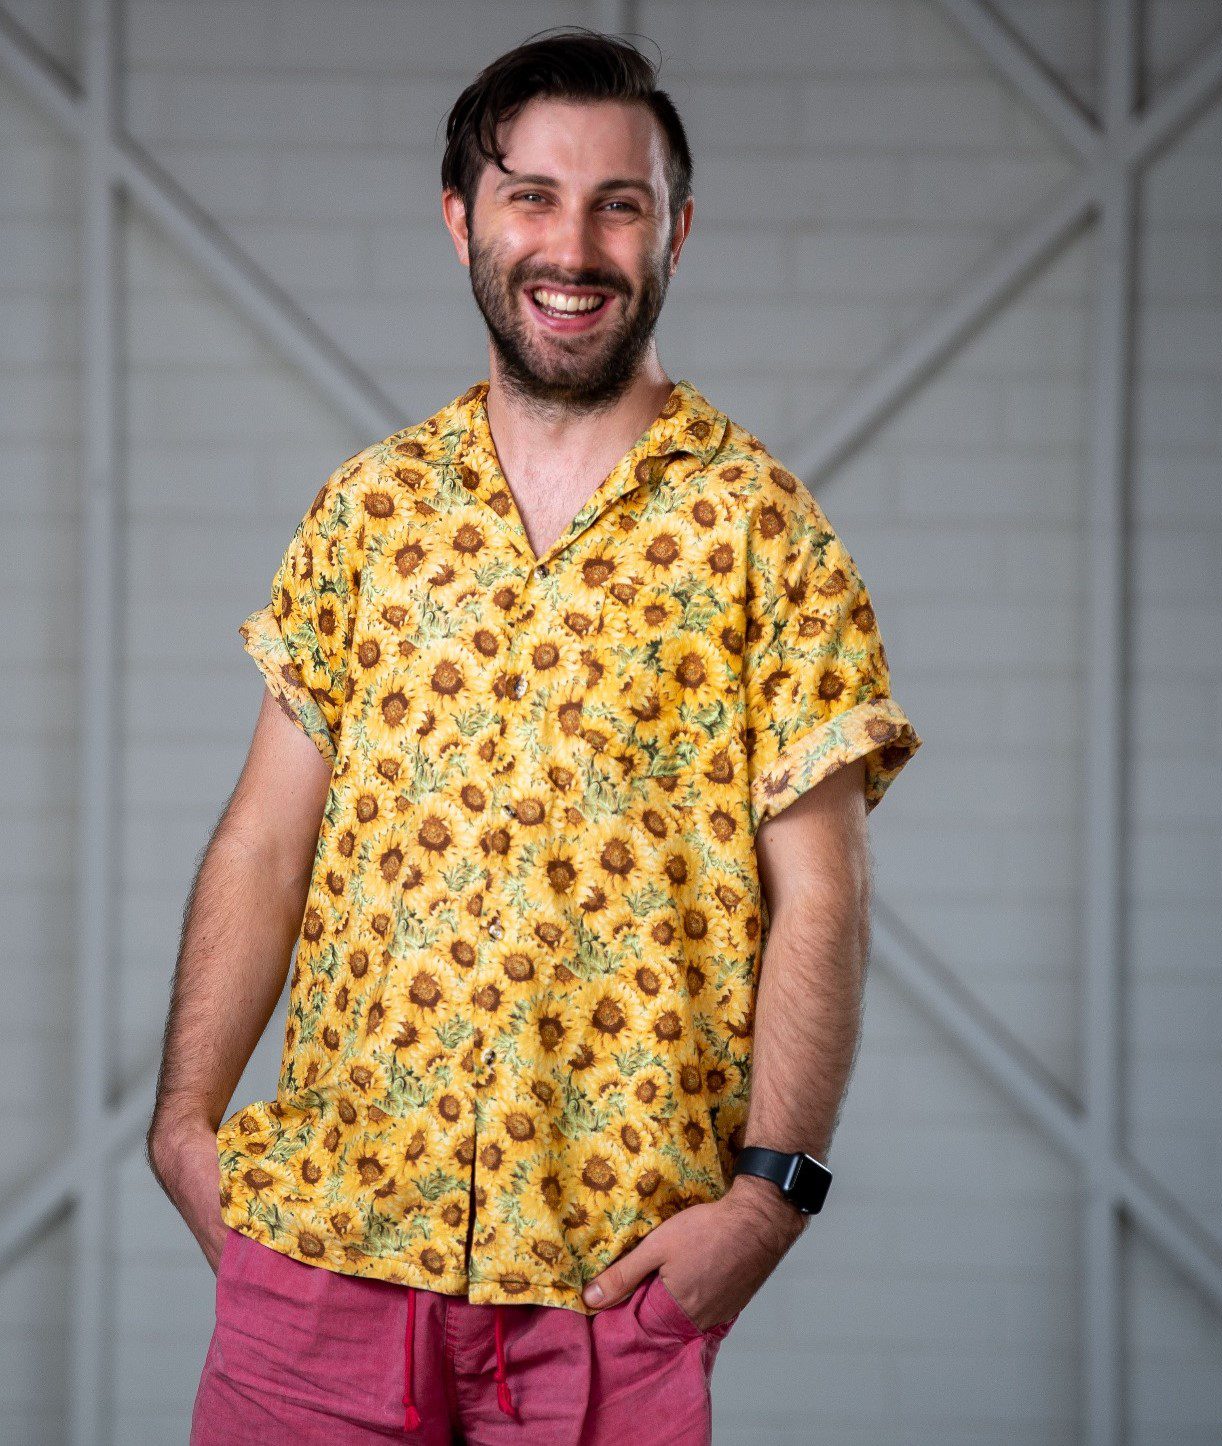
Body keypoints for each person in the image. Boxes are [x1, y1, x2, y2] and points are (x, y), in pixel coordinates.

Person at [148, 26, 923, 1445]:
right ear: (462, 221)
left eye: (618, 204)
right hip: (319, 1258)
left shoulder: (764, 532)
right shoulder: (367, 511)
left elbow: (823, 892)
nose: (575, 243)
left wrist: (769, 1196)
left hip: (605, 1296)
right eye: (532, 196)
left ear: (675, 230)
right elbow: (266, 837)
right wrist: (182, 1128)